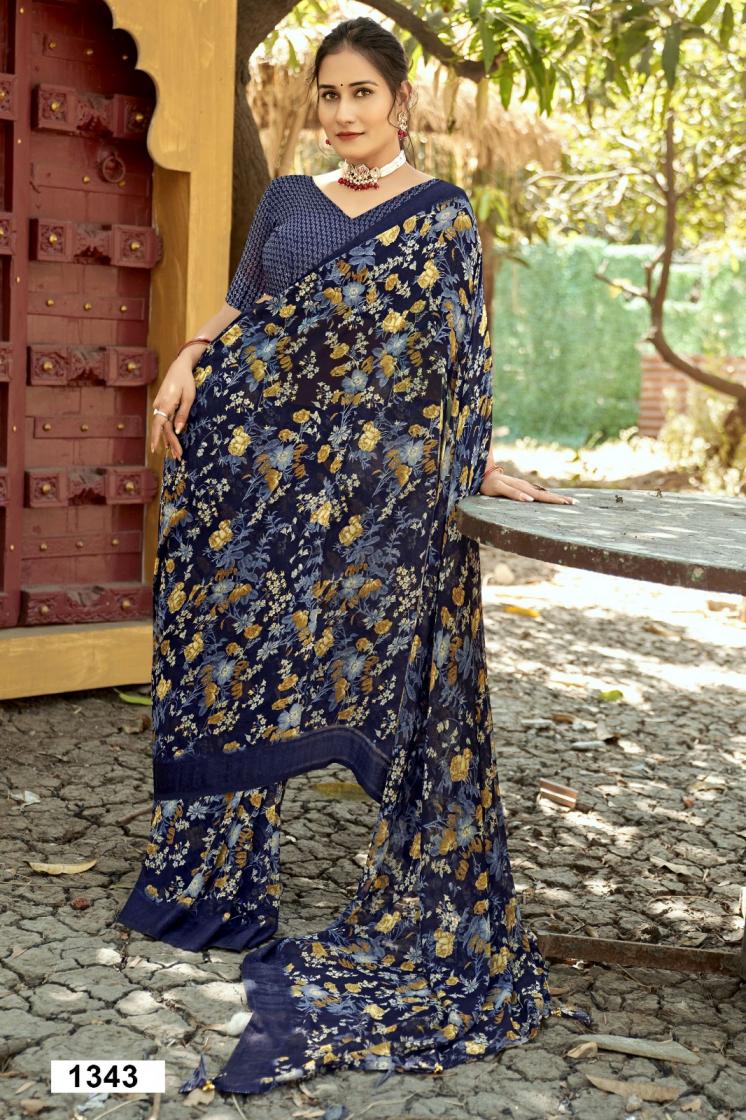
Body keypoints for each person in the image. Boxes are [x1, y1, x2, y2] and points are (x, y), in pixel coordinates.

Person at [115, 15, 590, 1096]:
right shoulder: (288, 199)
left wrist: (475, 461)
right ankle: (218, 876)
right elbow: (246, 306)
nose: (341, 113)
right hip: (258, 470)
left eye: (361, 93)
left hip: (370, 493)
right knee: (235, 639)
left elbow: (454, 365)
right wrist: (187, 358)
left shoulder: (441, 216)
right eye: (328, 95)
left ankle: (412, 901)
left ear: (401, 101)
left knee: (368, 648)